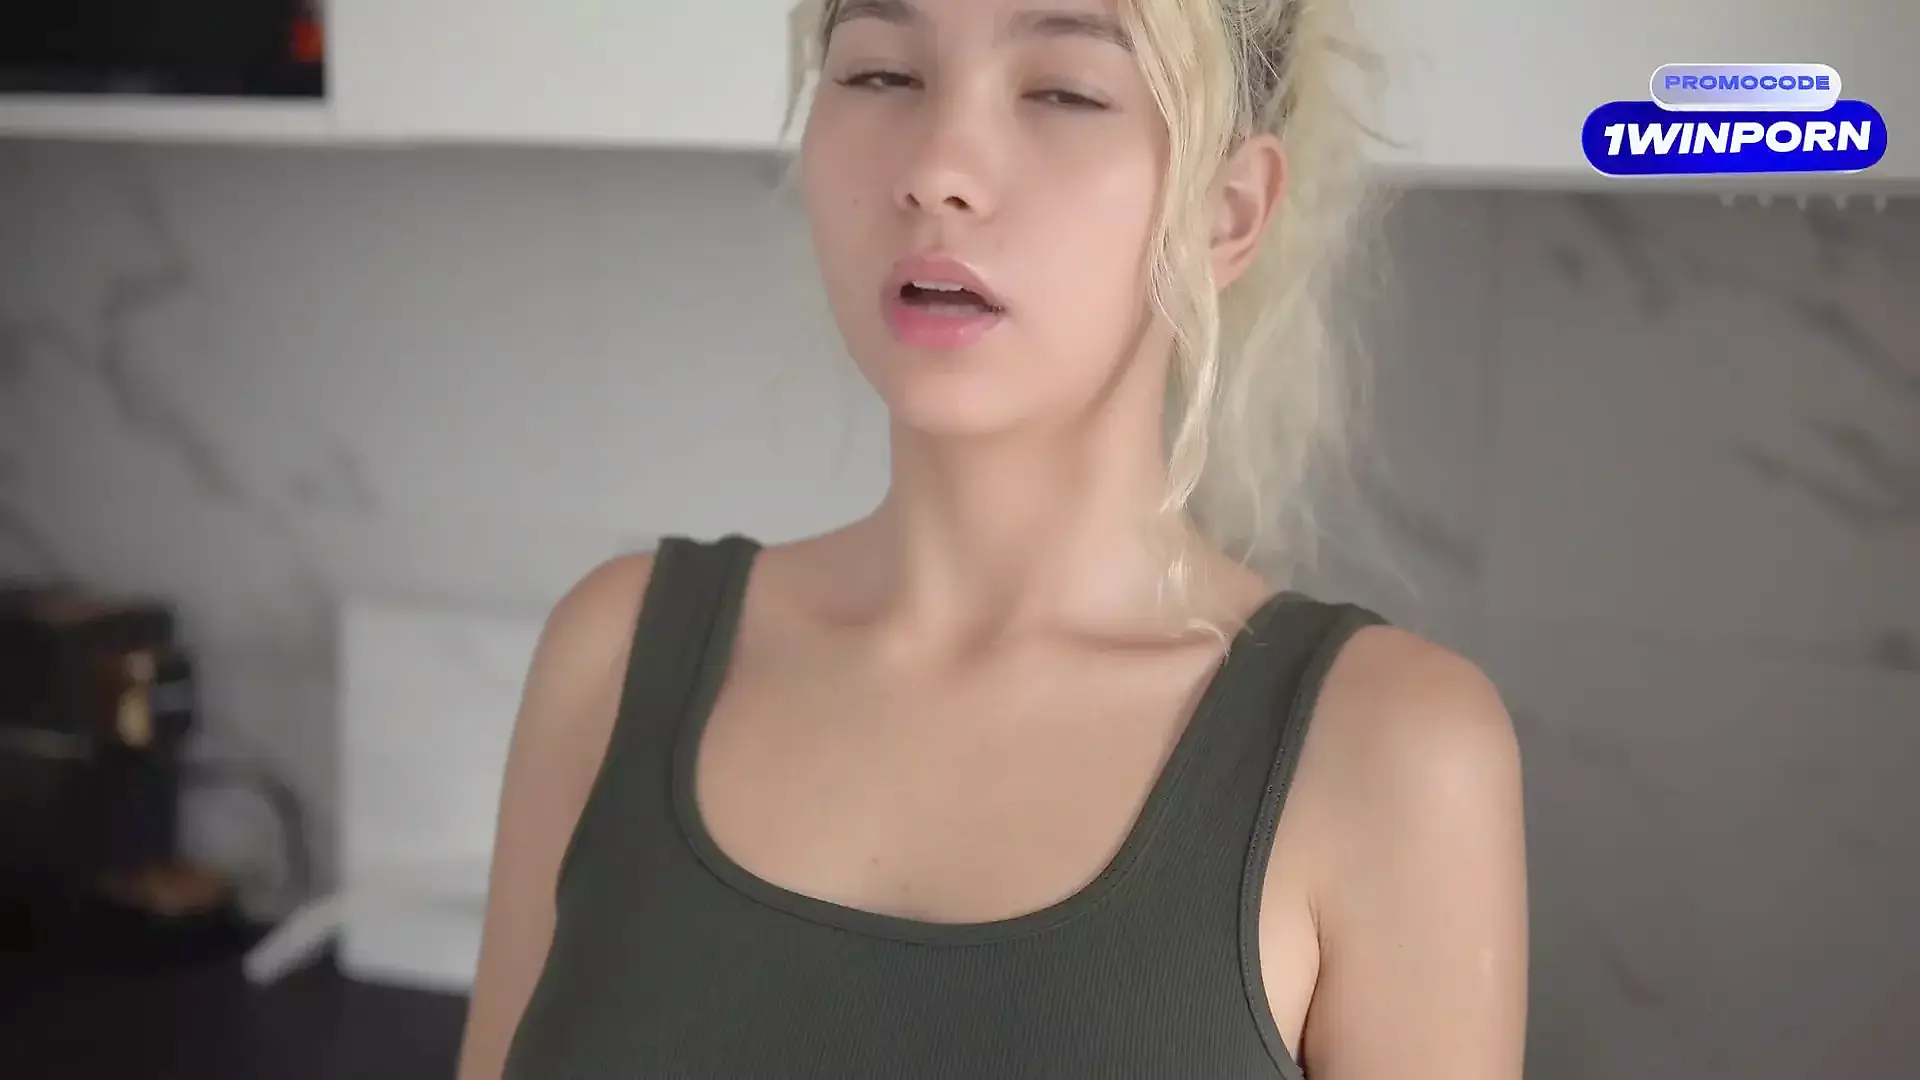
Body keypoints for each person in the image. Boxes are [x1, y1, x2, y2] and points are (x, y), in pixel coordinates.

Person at [458, 0, 1528, 1076]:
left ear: (1227, 211)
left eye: (1063, 91)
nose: (936, 170)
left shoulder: (1392, 754)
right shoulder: (612, 657)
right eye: (881, 74)